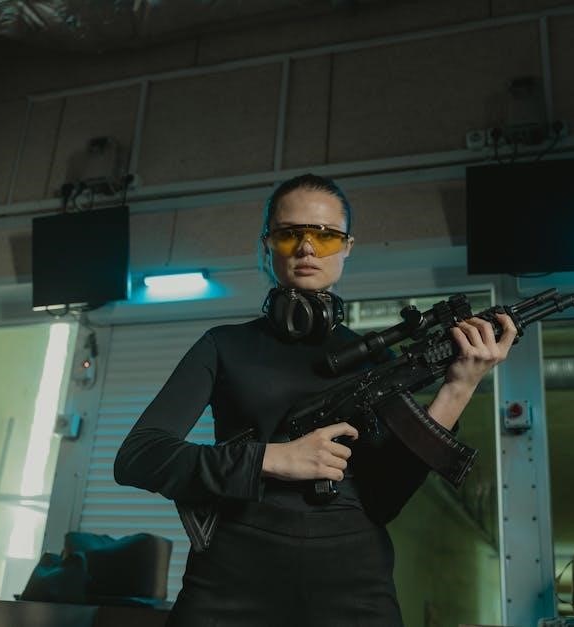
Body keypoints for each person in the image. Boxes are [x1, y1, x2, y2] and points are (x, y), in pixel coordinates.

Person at [113, 173, 517, 626]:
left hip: (353, 577)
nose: (307, 248)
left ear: (347, 247)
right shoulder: (222, 345)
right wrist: (270, 458)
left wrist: (459, 387)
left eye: (325, 236)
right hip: (230, 576)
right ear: (268, 244)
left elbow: (385, 501)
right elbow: (138, 457)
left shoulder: (379, 360)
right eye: (290, 234)